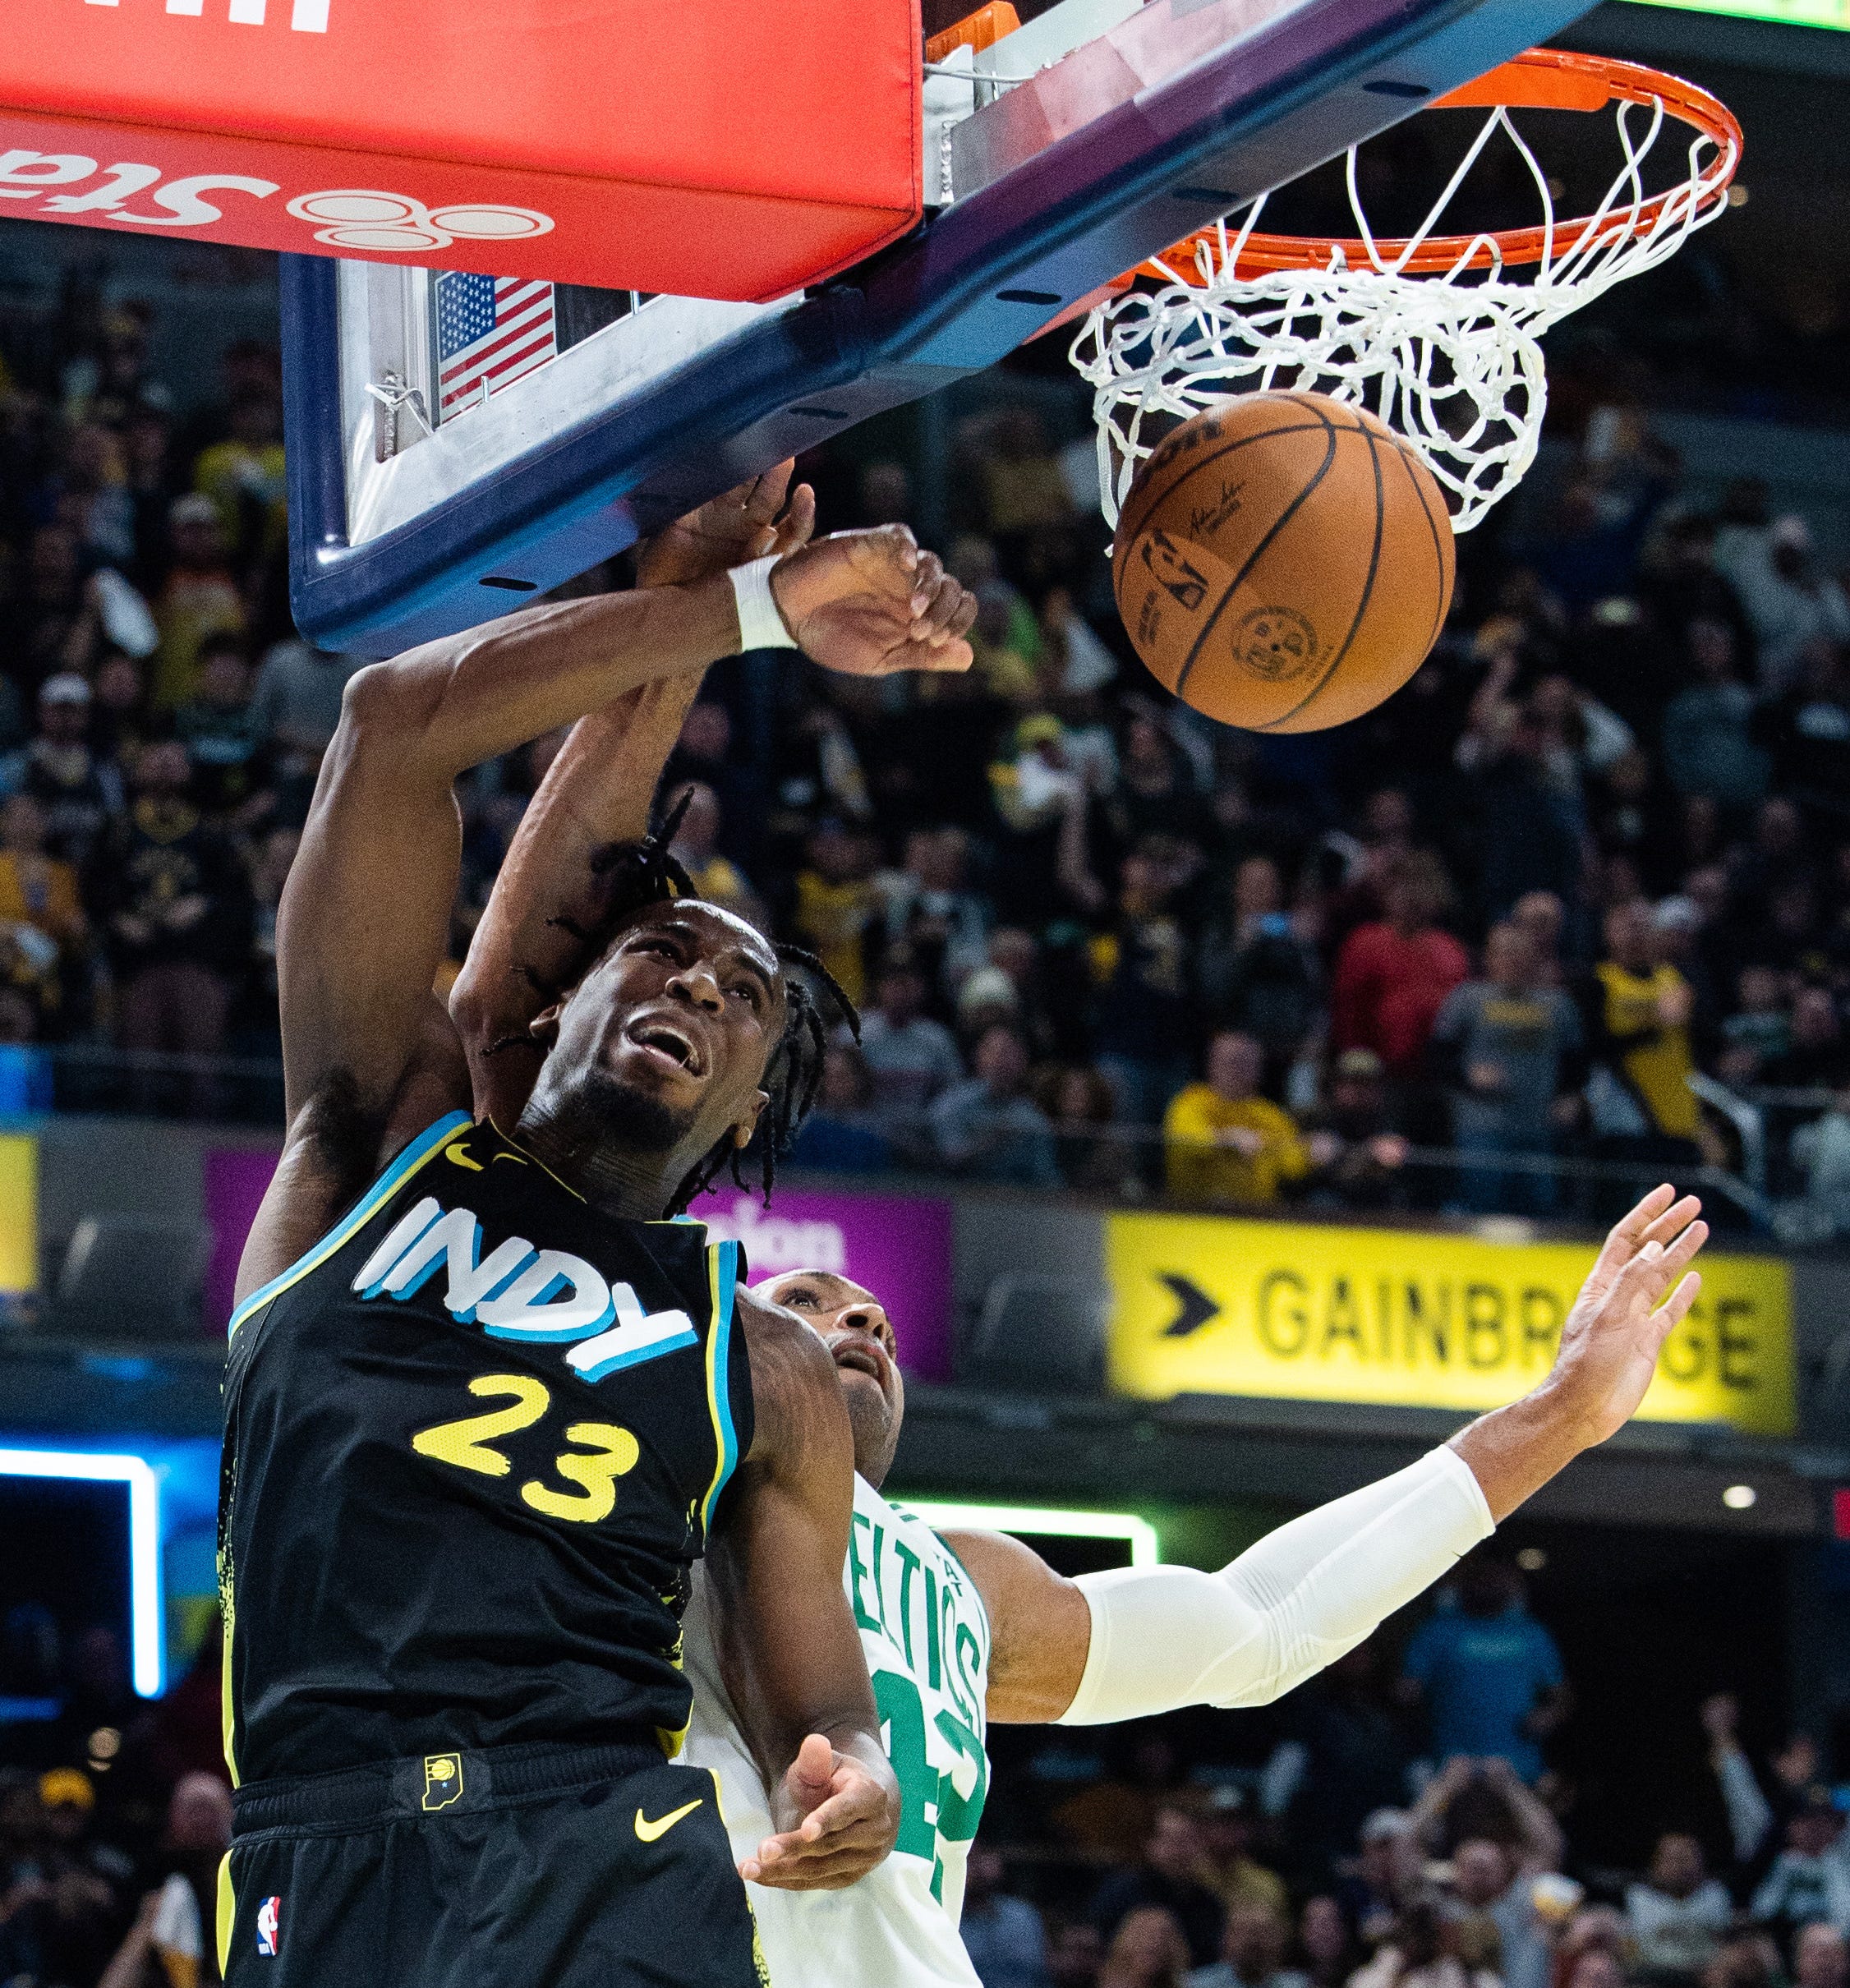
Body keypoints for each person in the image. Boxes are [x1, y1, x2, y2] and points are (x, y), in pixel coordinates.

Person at [218, 465, 978, 1988]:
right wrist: (733, 608)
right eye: (667, 952)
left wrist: (853, 1772)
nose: (699, 984)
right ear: (568, 1000)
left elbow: (815, 1702)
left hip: (601, 1856)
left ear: (755, 1100)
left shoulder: (758, 1359)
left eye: (745, 994)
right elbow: (384, 733)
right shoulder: (371, 1138)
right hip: (317, 1848)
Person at [663, 1162, 1705, 1988]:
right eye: (806, 1300)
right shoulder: (664, 1480)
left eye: (877, 1322)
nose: (863, 1324)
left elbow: (1263, 1621)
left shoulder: (969, 1579)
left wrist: (1559, 1416)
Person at [1429, 925, 1584, 1217]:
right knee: (1483, 1206)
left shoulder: (1557, 1005)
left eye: (1520, 953)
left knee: (1541, 1209)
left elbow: (1576, 1061)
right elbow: (1437, 1058)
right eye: (1505, 953)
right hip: (1481, 1126)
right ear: (1490, 957)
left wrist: (1570, 1096)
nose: (1513, 960)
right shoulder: (1467, 998)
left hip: (1538, 1125)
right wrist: (1467, 1076)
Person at [1400, 1562, 1568, 1781]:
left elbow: (1561, 1694)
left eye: (1499, 1579)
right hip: (1453, 1765)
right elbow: (1406, 1691)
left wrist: (1549, 1715)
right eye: (1484, 1579)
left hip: (1519, 1766)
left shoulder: (1532, 1634)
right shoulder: (1439, 1630)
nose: (1491, 1585)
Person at [1163, 1031, 1310, 1207]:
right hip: (1194, 1212)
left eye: (1248, 1063)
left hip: (1258, 1216)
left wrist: (1312, 1151)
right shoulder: (1191, 1101)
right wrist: (1227, 1138)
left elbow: (1293, 1165)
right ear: (1212, 1064)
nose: (1238, 1070)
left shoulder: (1270, 1114)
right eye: (1232, 1062)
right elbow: (1185, 1140)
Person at [1093, 1806, 1228, 1969]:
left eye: (1191, 1841)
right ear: (1151, 1845)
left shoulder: (1210, 1904)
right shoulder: (1121, 1893)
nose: (1181, 1852)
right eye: (1173, 1841)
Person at [930, 1022, 1062, 1187]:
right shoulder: (951, 1104)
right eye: (992, 1051)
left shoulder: (1032, 1118)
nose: (1000, 1060)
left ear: (1023, 1061)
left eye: (1009, 1053)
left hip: (1015, 1205)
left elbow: (1046, 1179)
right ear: (978, 1057)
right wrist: (992, 1140)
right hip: (957, 1200)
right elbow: (947, 1161)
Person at [1625, 1832, 1733, 1981]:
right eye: (1671, 1859)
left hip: (1707, 1974)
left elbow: (1724, 1941)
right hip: (1651, 1975)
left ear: (1702, 1862)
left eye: (1686, 1858)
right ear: (1655, 1864)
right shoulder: (1637, 1897)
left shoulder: (1715, 1894)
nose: (1678, 1866)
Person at [961, 1843, 1052, 1988]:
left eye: (985, 1856)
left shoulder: (1024, 1915)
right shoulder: (943, 1919)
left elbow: (1043, 1974)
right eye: (970, 1858)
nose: (979, 1867)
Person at [1185, 1904, 1304, 1988]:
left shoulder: (1297, 1984)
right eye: (1244, 1932)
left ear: (1280, 1940)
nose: (1254, 1940)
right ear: (1227, 1939)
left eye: (1264, 1932)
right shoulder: (1198, 1984)